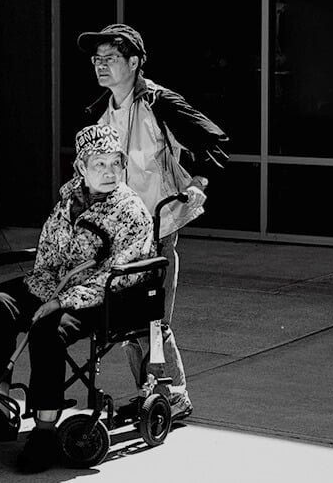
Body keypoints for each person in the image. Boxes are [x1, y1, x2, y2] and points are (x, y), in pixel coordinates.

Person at [0, 124, 155, 474]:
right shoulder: (68, 203)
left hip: (102, 299)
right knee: (0, 303)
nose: (109, 171)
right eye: (98, 164)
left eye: (115, 163)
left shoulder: (130, 211)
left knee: (46, 330)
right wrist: (43, 289)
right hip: (57, 284)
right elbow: (48, 257)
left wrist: (62, 301)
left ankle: (43, 434)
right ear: (82, 168)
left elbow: (124, 272)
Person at [77, 24, 229, 420]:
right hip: (117, 234)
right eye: (97, 60)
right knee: (125, 321)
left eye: (110, 58)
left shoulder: (160, 103)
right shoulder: (100, 114)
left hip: (158, 227)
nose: (101, 66)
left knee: (152, 320)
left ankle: (172, 394)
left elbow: (208, 145)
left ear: (134, 62)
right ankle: (151, 395)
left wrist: (196, 182)